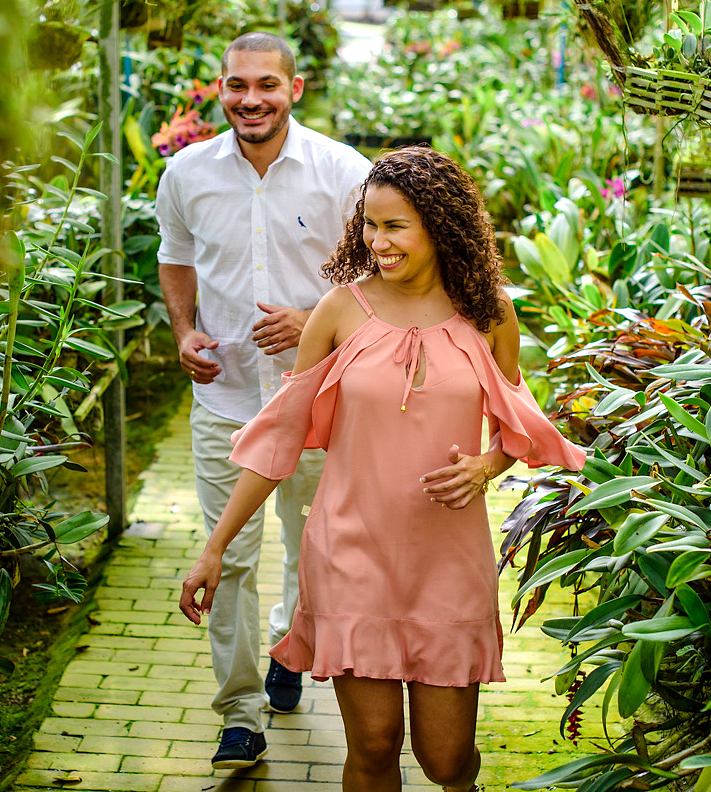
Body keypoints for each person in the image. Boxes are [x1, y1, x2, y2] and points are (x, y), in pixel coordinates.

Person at [179, 147, 586, 791]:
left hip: (448, 559)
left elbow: (517, 428)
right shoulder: (340, 311)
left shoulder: (490, 313)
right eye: (369, 224)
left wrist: (485, 467)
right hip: (351, 552)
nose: (376, 240)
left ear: (440, 225)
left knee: (447, 758)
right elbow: (278, 442)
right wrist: (214, 548)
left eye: (395, 226)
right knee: (372, 746)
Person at [155, 32, 372, 769]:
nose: (251, 100)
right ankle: (240, 712)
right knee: (231, 556)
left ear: (296, 88)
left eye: (267, 86)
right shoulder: (186, 172)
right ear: (218, 89)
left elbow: (386, 278)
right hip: (223, 402)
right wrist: (183, 331)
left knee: (311, 543)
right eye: (237, 86)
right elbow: (175, 258)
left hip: (314, 398)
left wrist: (316, 320)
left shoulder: (345, 173)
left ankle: (291, 641)